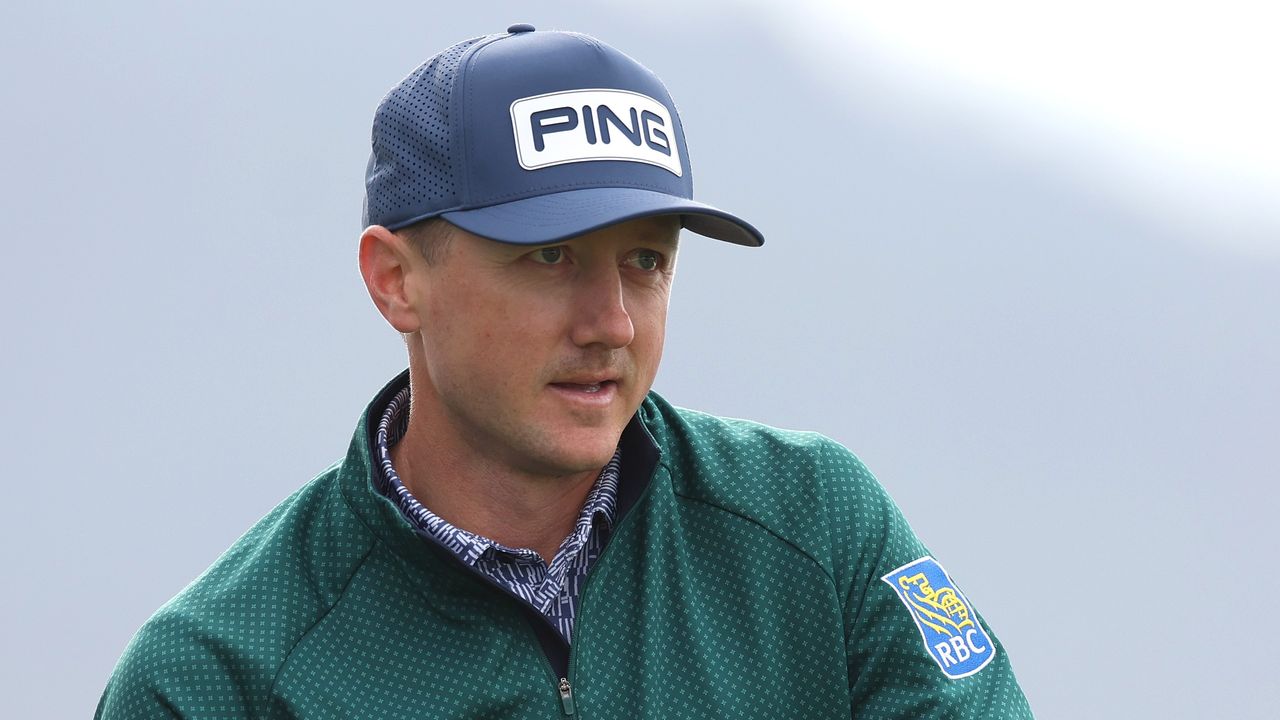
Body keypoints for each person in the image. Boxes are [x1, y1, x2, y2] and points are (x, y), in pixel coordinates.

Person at [96, 25, 1033, 719]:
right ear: (396, 282)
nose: (611, 323)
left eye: (646, 262)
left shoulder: (814, 526)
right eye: (549, 258)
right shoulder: (216, 677)